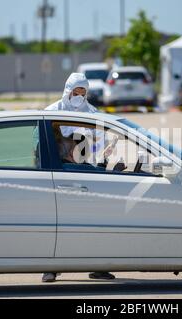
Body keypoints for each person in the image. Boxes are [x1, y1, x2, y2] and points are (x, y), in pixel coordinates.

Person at [42, 73, 116, 283]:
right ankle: (51, 268)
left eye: (83, 93)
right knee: (58, 224)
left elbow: (102, 141)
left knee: (92, 223)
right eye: (76, 92)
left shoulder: (92, 112)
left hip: (84, 172)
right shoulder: (51, 112)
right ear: (68, 90)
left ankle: (98, 267)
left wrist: (105, 149)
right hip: (56, 173)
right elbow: (41, 144)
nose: (79, 96)